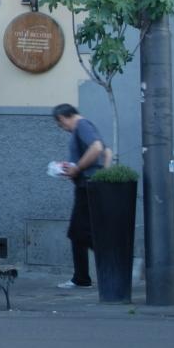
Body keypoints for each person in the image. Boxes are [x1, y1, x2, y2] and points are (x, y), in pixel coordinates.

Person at [52, 103, 111, 289]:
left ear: (64, 117)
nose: (63, 128)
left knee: (79, 233)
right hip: (89, 185)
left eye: (61, 124)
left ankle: (111, 265)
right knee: (80, 233)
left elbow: (97, 148)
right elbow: (107, 152)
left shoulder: (82, 125)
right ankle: (85, 276)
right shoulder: (86, 126)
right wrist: (102, 175)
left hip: (87, 186)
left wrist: (77, 168)